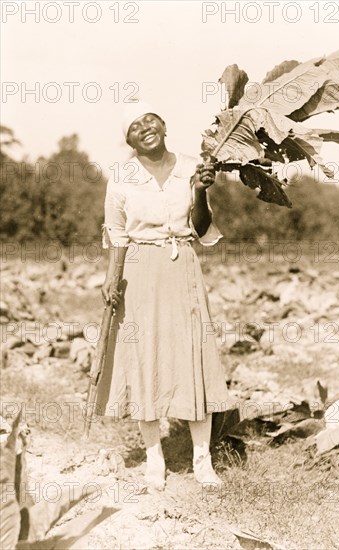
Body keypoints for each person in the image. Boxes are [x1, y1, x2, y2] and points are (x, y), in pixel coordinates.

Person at [95, 100, 230, 490]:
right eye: (135, 126)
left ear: (164, 124)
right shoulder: (121, 176)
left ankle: (202, 460)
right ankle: (155, 458)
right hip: (138, 270)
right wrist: (111, 278)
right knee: (144, 360)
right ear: (129, 139)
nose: (145, 127)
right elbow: (117, 233)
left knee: (192, 356)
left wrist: (201, 191)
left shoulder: (192, 167)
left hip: (181, 265)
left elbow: (202, 229)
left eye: (150, 119)